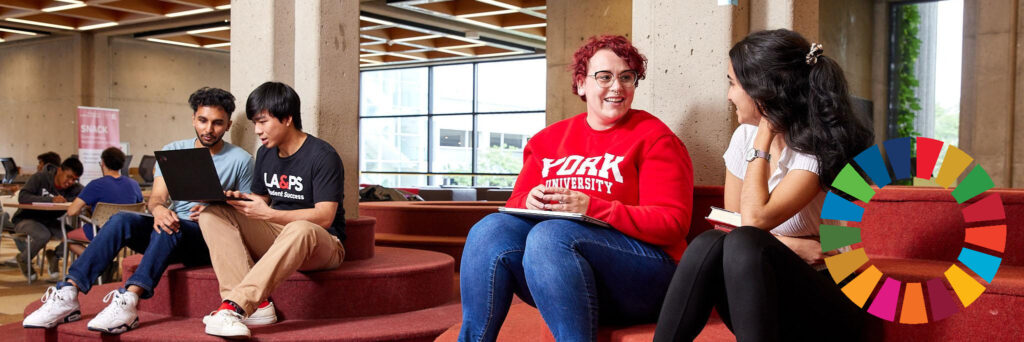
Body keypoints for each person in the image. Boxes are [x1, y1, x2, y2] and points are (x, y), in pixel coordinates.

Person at [458, 35, 694, 342]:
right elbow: (515, 202)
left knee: (551, 234)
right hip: (562, 274)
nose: (617, 87)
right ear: (582, 84)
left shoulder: (654, 137)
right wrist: (529, 200)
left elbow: (672, 224)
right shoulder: (547, 141)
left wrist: (590, 207)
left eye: (627, 77)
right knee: (489, 229)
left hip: (649, 276)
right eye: (604, 77)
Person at [652, 29, 874, 342]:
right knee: (709, 243)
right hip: (765, 293)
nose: (729, 95)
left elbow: (753, 222)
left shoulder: (815, 147)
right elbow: (732, 225)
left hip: (831, 302)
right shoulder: (744, 136)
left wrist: (764, 138)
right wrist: (793, 245)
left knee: (743, 243)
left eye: (733, 83)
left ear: (763, 92)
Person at [22, 87, 254, 335]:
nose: (208, 129)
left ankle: (128, 301)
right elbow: (156, 199)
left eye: (217, 123)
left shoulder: (241, 159)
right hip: (171, 230)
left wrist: (216, 209)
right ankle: (68, 292)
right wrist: (159, 210)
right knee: (123, 219)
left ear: (228, 125)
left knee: (170, 227)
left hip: (206, 239)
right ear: (193, 119)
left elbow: (249, 214)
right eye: (203, 120)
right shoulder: (174, 150)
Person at [198, 81, 346, 339]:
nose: (257, 130)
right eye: (255, 123)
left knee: (300, 228)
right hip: (279, 233)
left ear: (287, 118)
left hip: (323, 243)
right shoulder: (266, 153)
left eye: (263, 122)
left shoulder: (323, 155)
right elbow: (259, 201)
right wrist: (233, 201)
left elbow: (324, 216)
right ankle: (258, 307)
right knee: (211, 213)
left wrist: (270, 214)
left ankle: (235, 307)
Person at [12, 157, 83, 281]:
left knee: (72, 235)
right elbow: (23, 197)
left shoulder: (75, 188)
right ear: (60, 170)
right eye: (69, 176)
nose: (70, 182)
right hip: (26, 218)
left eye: (74, 179)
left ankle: (55, 256)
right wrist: (51, 200)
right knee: (43, 235)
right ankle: (23, 258)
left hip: (50, 221)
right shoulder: (39, 178)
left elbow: (85, 196)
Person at [66, 146, 144, 243]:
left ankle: (100, 258)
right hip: (127, 233)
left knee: (68, 237)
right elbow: (141, 211)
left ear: (102, 163)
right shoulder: (134, 184)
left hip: (99, 232)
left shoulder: (96, 185)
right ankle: (103, 258)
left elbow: (71, 211)